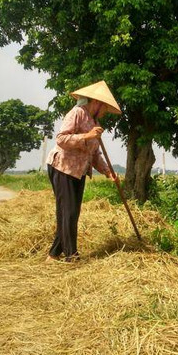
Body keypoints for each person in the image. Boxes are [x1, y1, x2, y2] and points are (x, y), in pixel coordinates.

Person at [45, 81, 121, 263]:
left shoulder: (95, 123)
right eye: (105, 108)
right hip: (63, 167)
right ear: (97, 103)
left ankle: (53, 255)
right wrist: (86, 136)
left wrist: (108, 172)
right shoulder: (77, 113)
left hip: (78, 171)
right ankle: (71, 255)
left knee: (70, 212)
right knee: (68, 212)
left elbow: (95, 154)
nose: (105, 112)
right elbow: (61, 139)